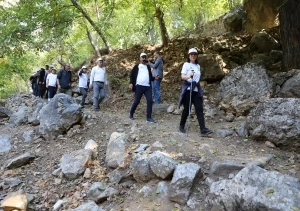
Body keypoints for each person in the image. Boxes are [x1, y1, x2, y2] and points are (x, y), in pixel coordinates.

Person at [178, 48, 212, 135]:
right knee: (187, 109)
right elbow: (182, 77)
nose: (193, 55)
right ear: (188, 56)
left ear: (196, 56)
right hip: (188, 90)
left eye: (195, 54)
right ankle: (181, 125)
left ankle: (203, 129)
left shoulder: (198, 66)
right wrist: (189, 76)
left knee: (199, 109)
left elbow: (197, 78)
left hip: (196, 90)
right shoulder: (186, 64)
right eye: (191, 54)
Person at [129, 53, 156, 123]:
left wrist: (154, 78)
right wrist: (131, 83)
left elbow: (150, 77)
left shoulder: (148, 67)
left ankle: (149, 117)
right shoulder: (136, 66)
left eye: (145, 57)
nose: (144, 58)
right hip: (139, 86)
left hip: (147, 87)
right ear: (140, 58)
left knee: (150, 101)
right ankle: (131, 113)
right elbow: (132, 76)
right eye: (142, 57)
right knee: (137, 101)